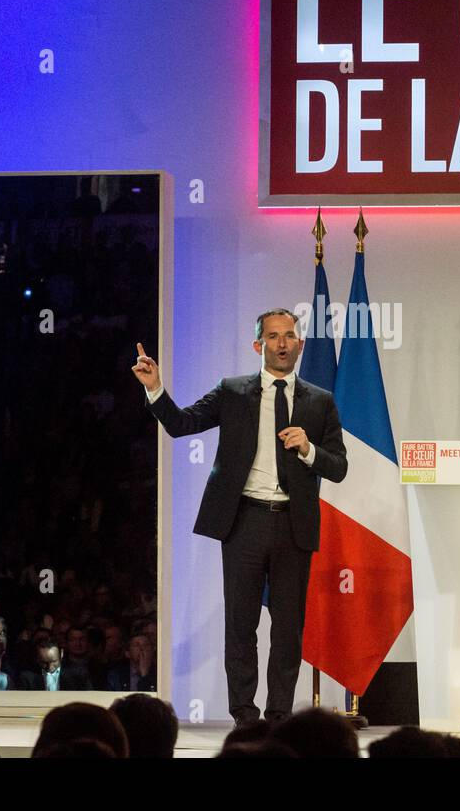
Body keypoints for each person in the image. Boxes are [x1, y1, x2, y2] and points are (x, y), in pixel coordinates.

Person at [134, 309, 348, 726]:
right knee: (241, 625)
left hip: (293, 524)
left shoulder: (320, 401)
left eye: (289, 336)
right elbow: (182, 424)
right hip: (244, 521)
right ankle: (246, 716)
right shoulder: (233, 392)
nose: (282, 344)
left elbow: (338, 467)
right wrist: (155, 389)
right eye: (273, 337)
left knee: (288, 629)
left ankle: (280, 716)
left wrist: (308, 450)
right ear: (258, 345)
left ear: (300, 344)